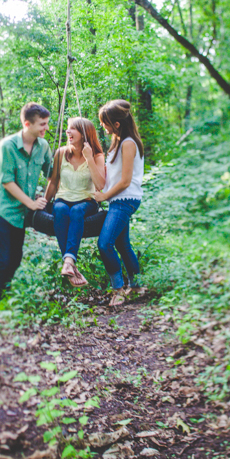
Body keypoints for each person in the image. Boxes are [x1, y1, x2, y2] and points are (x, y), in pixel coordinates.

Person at [0, 102, 54, 311]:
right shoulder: (8, 145)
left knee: (15, 260)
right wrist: (32, 203)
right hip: (2, 211)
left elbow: (52, 174)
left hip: (21, 215)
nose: (46, 128)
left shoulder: (43, 146)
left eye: (47, 124)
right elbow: (7, 181)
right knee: (2, 260)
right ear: (27, 123)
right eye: (42, 124)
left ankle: (1, 298)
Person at [93, 99, 145, 306]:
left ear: (116, 124)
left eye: (105, 122)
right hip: (119, 200)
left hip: (125, 200)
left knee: (105, 244)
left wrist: (105, 196)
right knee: (122, 245)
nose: (102, 126)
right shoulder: (119, 141)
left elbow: (125, 181)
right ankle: (138, 286)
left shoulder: (128, 143)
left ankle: (119, 289)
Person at [43, 117, 105, 288]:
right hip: (63, 199)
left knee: (76, 211)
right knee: (61, 209)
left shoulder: (97, 155)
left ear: (85, 133)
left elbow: (100, 185)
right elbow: (54, 182)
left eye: (72, 129)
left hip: (86, 202)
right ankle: (70, 262)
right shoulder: (61, 153)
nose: (67, 132)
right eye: (67, 128)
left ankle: (68, 262)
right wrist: (44, 202)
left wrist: (89, 158)